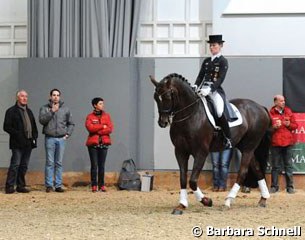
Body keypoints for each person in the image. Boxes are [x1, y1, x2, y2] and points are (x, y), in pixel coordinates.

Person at [193, 34, 232, 148]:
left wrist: (210, 89)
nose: (211, 47)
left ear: (220, 46)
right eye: (210, 45)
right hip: (202, 89)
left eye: (214, 45)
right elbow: (200, 76)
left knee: (219, 112)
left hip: (215, 91)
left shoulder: (223, 61)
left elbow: (220, 79)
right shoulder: (206, 61)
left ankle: (227, 138)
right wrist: (195, 86)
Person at [39, 89, 75, 193]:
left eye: (57, 95)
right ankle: (49, 185)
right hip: (49, 138)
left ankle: (58, 185)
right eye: (54, 95)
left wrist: (67, 134)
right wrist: (52, 111)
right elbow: (42, 120)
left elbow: (71, 123)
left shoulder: (65, 109)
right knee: (50, 162)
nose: (56, 97)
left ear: (60, 97)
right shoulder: (44, 108)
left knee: (59, 163)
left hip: (61, 138)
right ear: (50, 96)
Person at [3, 90, 38, 194]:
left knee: (24, 165)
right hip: (17, 143)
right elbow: (6, 127)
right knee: (15, 165)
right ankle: (9, 187)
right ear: (17, 98)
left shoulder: (29, 111)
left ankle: (20, 186)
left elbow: (34, 126)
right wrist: (18, 134)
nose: (25, 98)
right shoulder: (11, 111)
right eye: (22, 96)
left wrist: (35, 137)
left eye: (26, 96)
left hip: (28, 143)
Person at [269, 95, 298, 194]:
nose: (283, 102)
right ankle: (274, 187)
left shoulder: (288, 111)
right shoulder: (270, 113)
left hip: (288, 143)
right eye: (281, 101)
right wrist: (274, 127)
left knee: (288, 166)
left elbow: (295, 126)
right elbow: (267, 130)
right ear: (275, 102)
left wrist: (288, 124)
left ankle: (290, 187)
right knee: (275, 167)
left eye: (284, 101)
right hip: (275, 143)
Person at [85, 97, 114, 192]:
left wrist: (98, 131)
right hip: (93, 144)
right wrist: (102, 126)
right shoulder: (90, 116)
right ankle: (94, 185)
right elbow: (90, 128)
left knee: (102, 165)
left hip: (104, 143)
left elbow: (110, 128)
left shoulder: (107, 116)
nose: (102, 105)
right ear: (95, 105)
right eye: (100, 103)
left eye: (102, 103)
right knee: (94, 165)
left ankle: (102, 185)